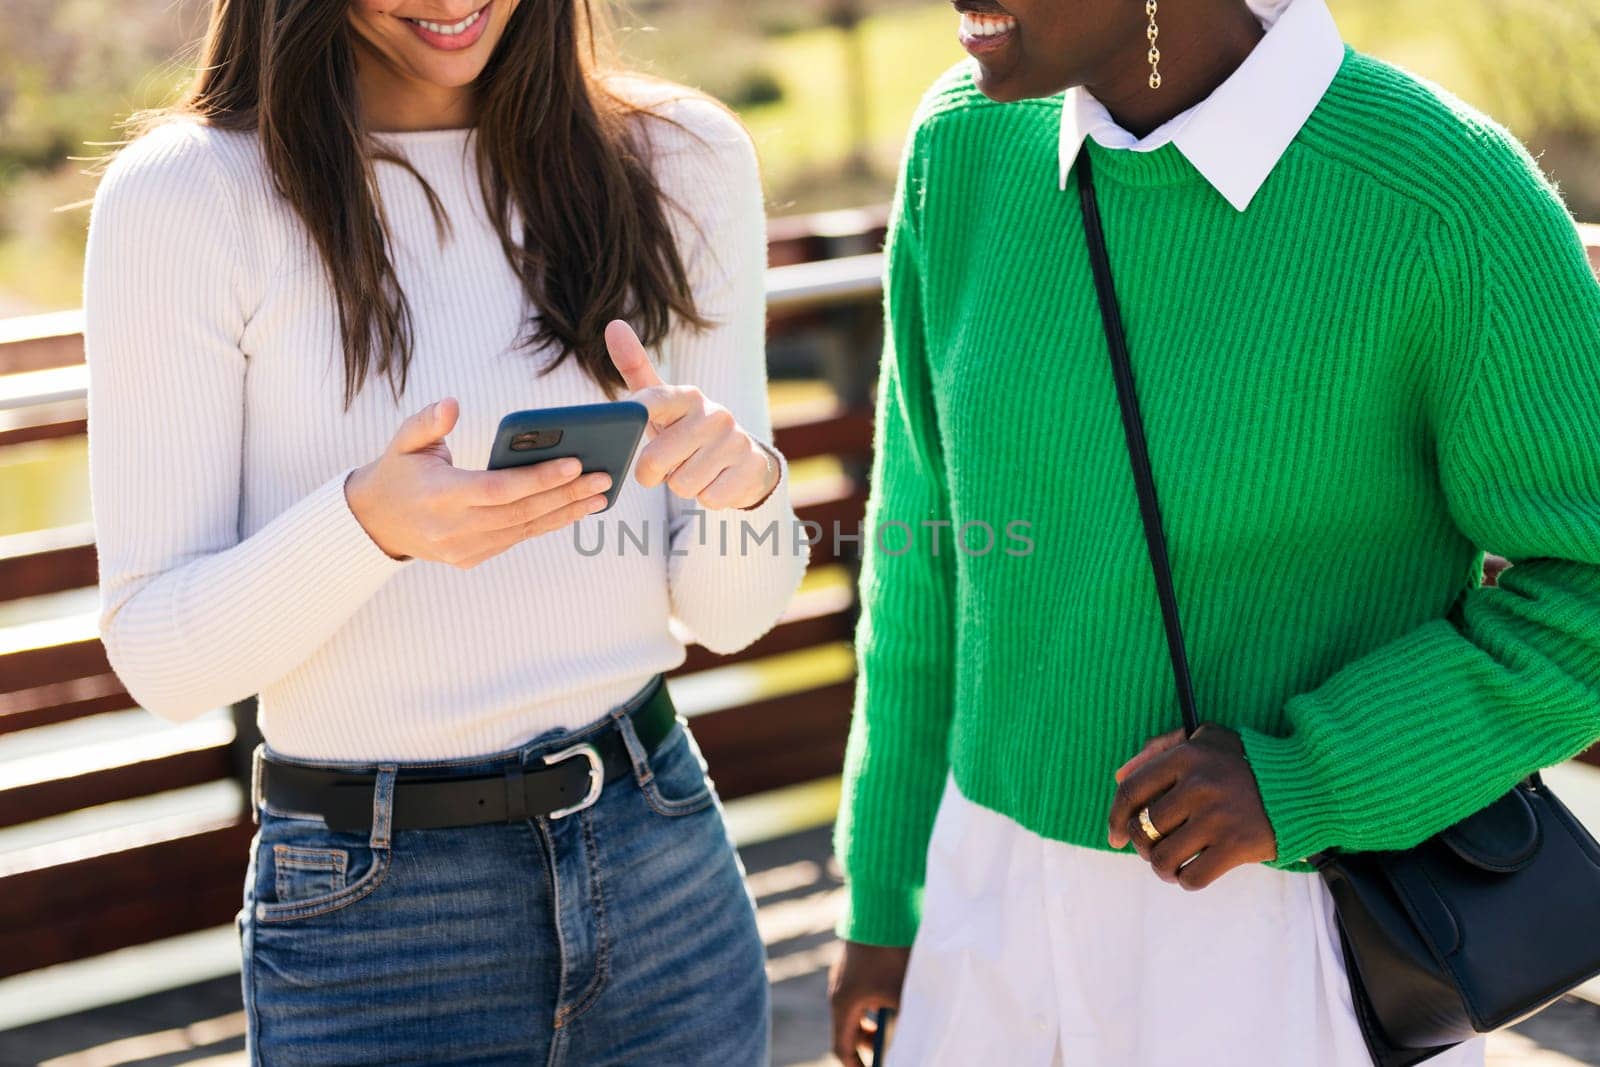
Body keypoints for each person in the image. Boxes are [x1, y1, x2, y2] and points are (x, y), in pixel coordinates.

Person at [827, 0, 1600, 1063]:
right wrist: (886, 894)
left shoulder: (1444, 199)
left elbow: (1585, 587)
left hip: (1284, 928)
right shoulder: (959, 148)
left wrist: (1306, 773)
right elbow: (922, 544)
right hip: (982, 907)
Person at [81, 0, 810, 1061]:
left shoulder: (681, 158)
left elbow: (728, 613)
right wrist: (366, 527)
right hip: (375, 921)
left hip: (658, 863)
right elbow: (159, 652)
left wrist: (742, 489)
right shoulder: (186, 200)